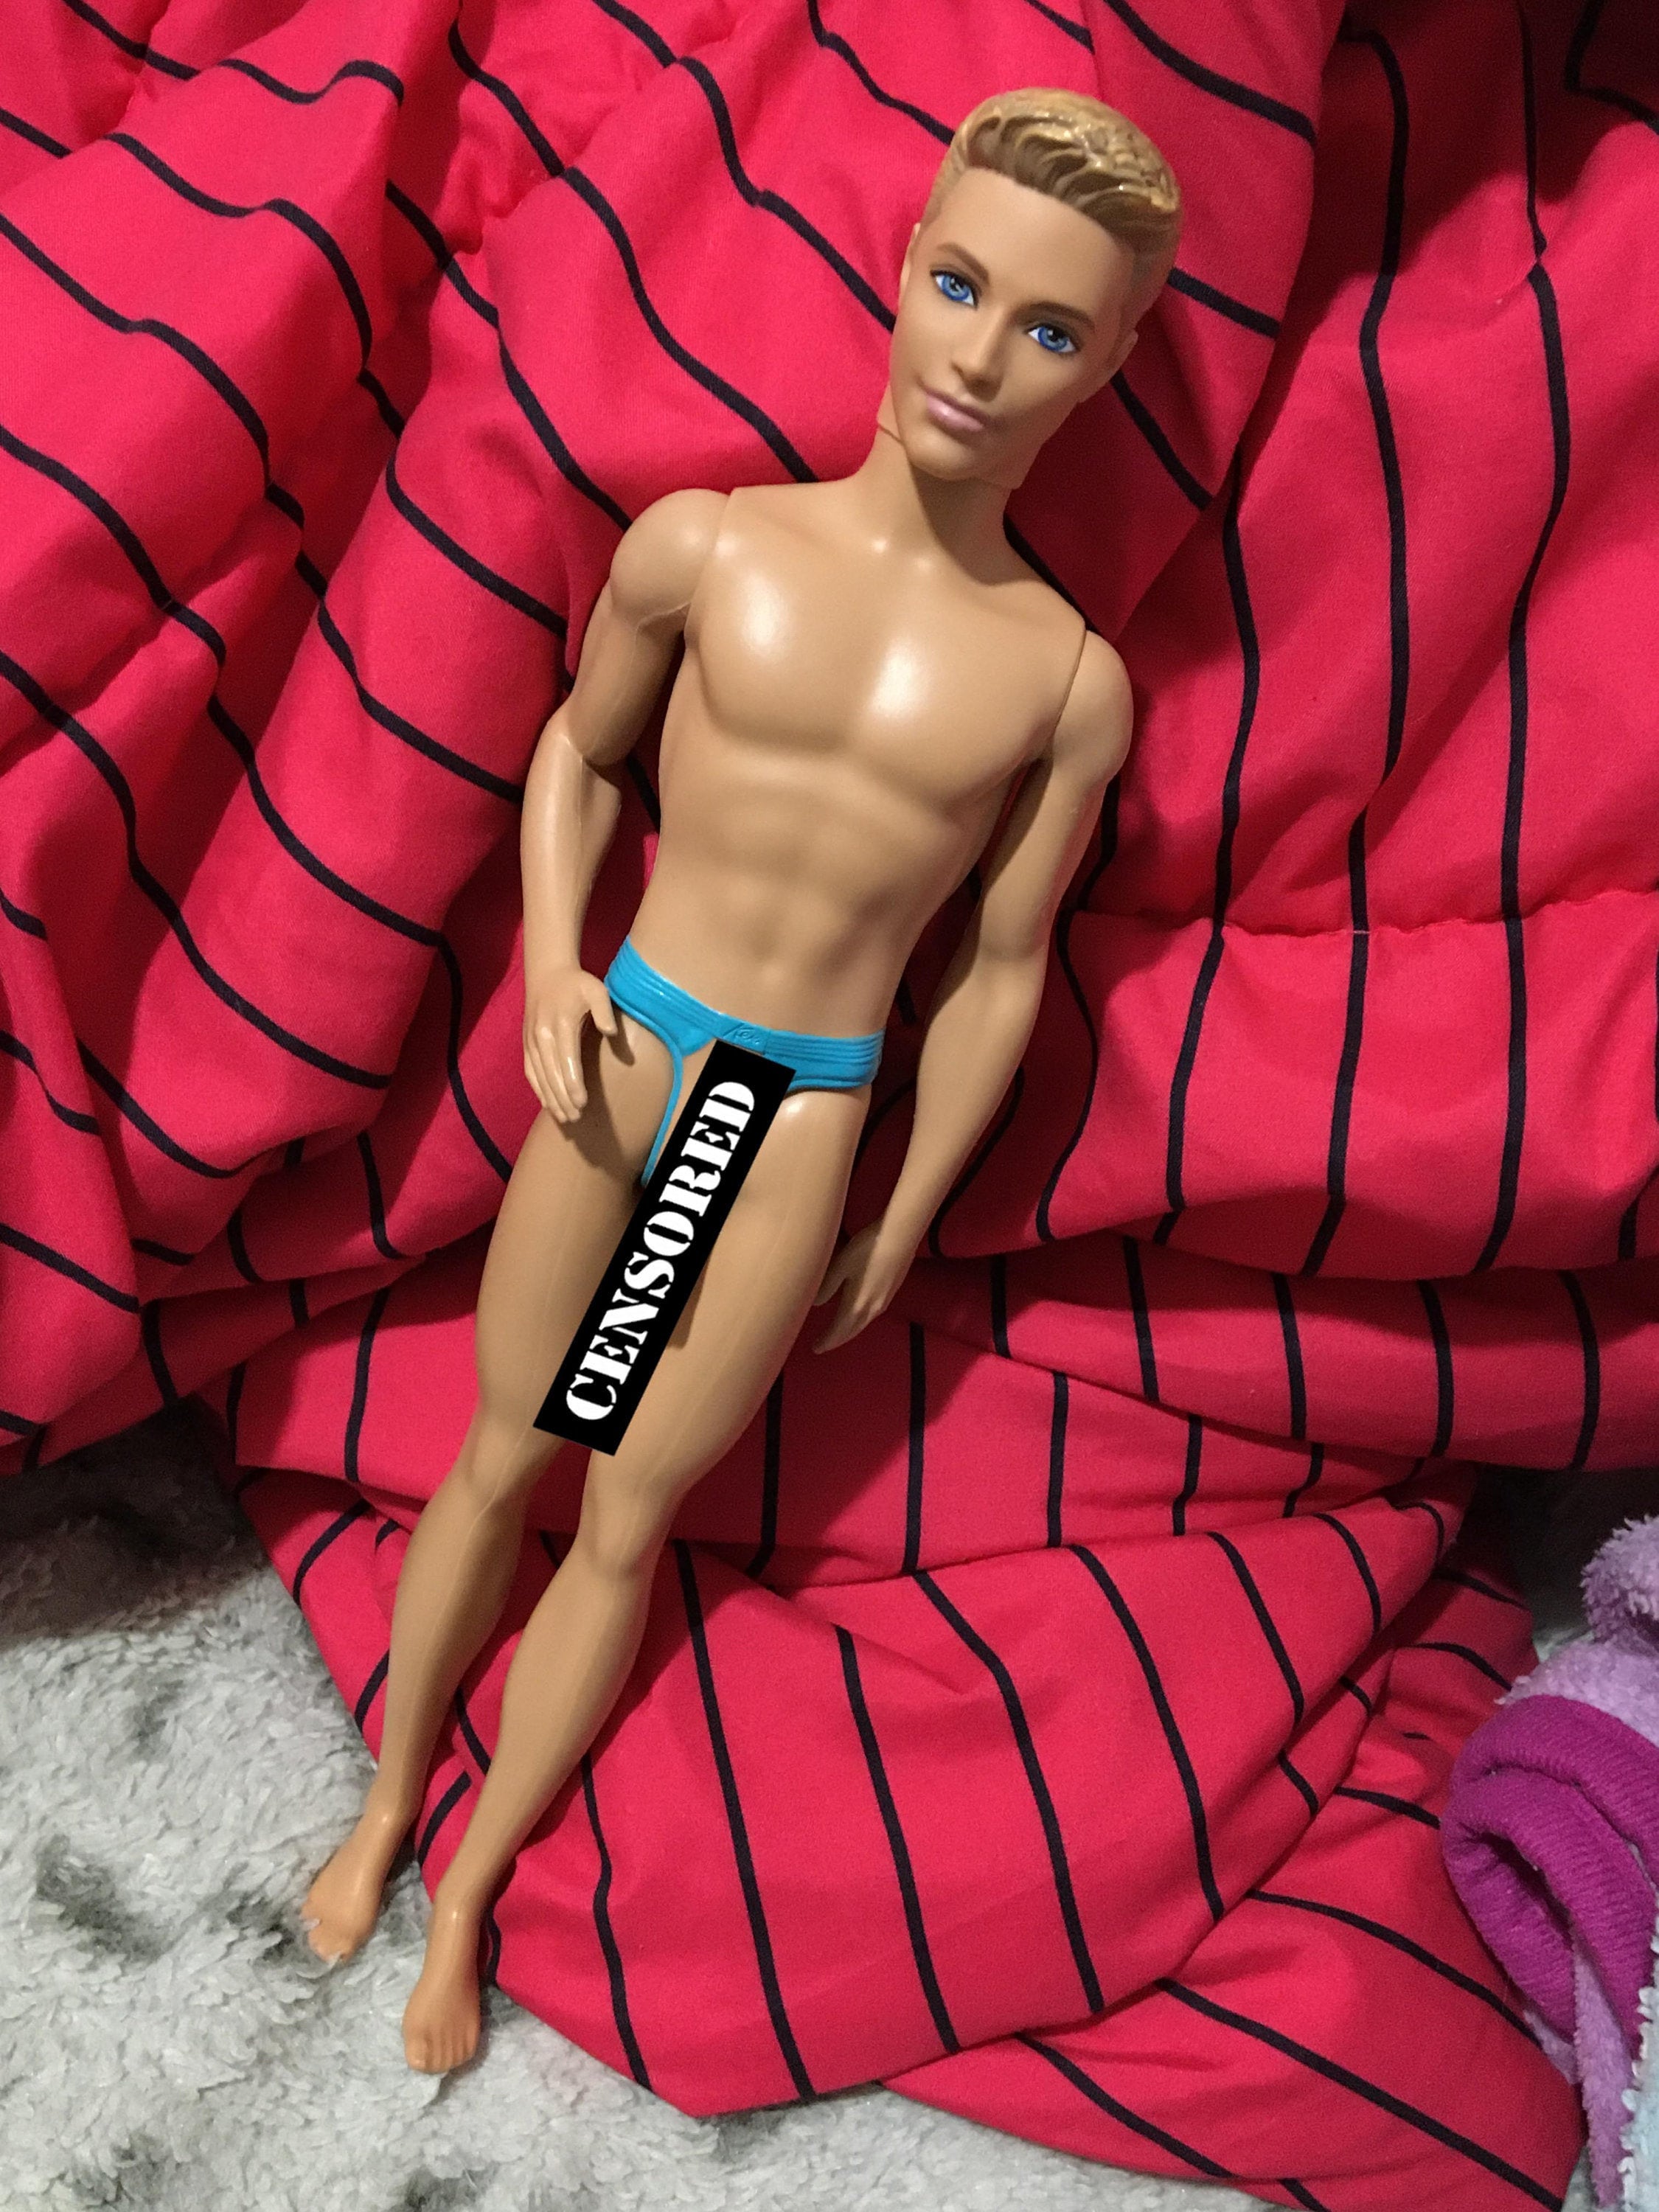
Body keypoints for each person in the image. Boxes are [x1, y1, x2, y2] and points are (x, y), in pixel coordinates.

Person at [299, 83, 1181, 2073]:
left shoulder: (1062, 681)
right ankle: (382, 1806)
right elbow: (578, 751)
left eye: (1050, 327)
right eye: (960, 286)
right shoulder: (708, 545)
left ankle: (468, 1897)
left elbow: (1004, 967)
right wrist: (551, 959)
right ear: (904, 267)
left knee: (627, 1513)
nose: (981, 356)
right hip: (634, 1052)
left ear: (1113, 362)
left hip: (792, 1116)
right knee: (504, 1450)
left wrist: (910, 1201)